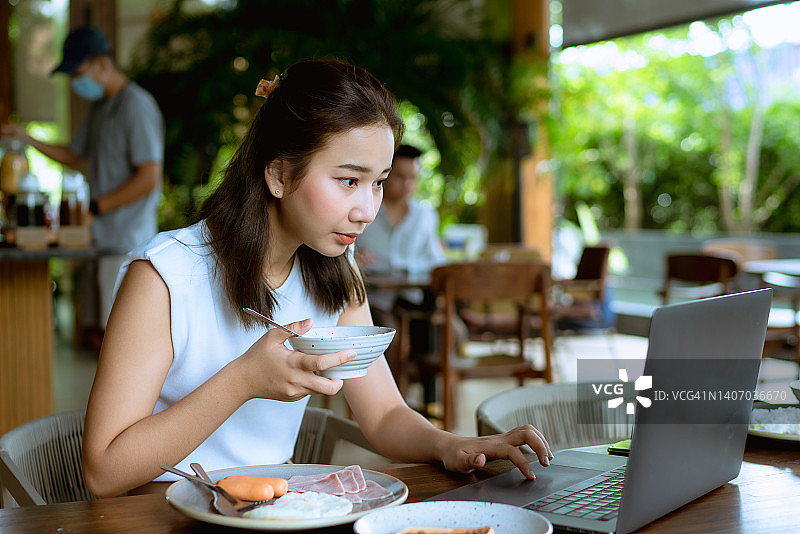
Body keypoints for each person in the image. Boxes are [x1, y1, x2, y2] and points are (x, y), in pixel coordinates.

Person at [80, 59, 552, 498]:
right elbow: (104, 471)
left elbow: (384, 413)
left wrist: (452, 444)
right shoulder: (165, 275)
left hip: (277, 509)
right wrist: (243, 380)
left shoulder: (332, 273)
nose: (368, 210)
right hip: (162, 510)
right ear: (280, 175)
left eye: (379, 182)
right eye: (349, 180)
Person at [1, 25, 164, 348]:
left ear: (102, 63)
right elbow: (73, 154)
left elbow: (149, 177)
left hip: (126, 243)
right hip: (98, 241)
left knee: (121, 341)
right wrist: (27, 139)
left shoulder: (137, 106)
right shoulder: (102, 108)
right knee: (96, 335)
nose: (76, 83)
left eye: (78, 72)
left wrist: (94, 208)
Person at [356, 144, 447, 404]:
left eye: (413, 178)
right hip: (375, 299)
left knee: (447, 332)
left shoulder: (425, 216)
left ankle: (425, 402)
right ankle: (385, 403)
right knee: (389, 336)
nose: (407, 185)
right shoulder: (365, 209)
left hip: (413, 299)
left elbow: (435, 262)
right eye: (400, 177)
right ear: (386, 174)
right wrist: (355, 258)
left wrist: (403, 267)